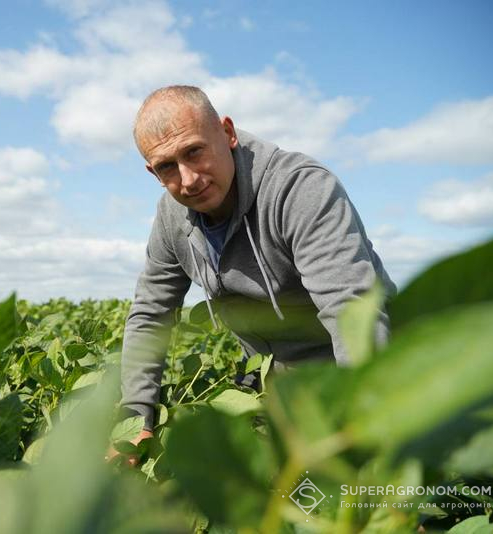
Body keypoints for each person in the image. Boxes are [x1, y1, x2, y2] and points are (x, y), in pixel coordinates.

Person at [106, 85, 396, 466]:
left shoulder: (298, 188)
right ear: (153, 172)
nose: (189, 179)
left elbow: (352, 314)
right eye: (167, 167)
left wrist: (368, 433)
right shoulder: (172, 217)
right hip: (271, 387)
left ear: (227, 133)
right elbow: (151, 314)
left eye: (194, 151)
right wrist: (136, 417)